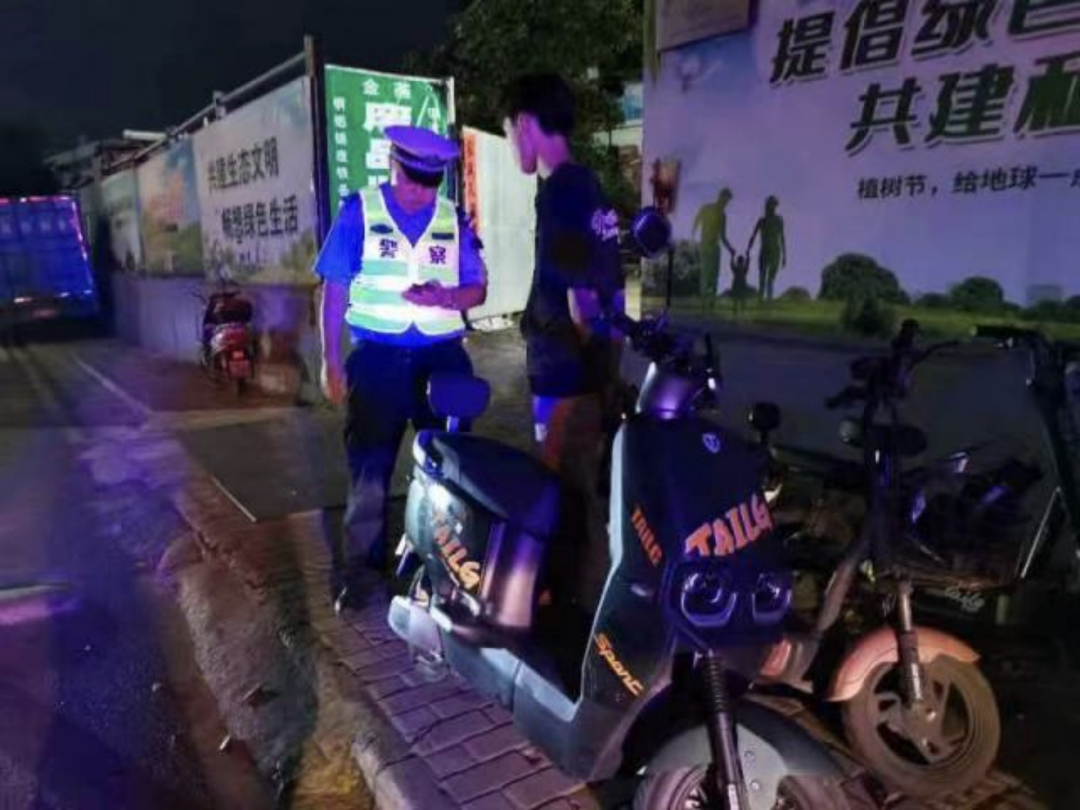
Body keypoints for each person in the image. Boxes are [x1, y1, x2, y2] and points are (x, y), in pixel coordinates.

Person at [314, 125, 487, 609]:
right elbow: (334, 289)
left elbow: (477, 288)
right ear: (392, 164)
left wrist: (446, 297)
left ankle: (443, 575)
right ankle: (360, 574)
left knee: (451, 470)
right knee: (369, 472)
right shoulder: (359, 212)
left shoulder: (454, 219)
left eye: (430, 184)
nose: (420, 193)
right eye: (412, 180)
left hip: (443, 360)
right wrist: (330, 359)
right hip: (377, 361)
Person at [502, 73, 624, 607]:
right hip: (589, 369)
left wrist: (586, 375)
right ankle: (584, 598)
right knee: (584, 489)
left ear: (524, 124)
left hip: (567, 375)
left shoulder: (561, 193)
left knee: (567, 493)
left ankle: (579, 612)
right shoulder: (589, 187)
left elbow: (581, 300)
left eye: (508, 133)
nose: (511, 145)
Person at [692, 188, 736, 311]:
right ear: (720, 197)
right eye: (725, 199)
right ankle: (703, 302)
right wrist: (693, 237)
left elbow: (723, 236)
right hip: (705, 247)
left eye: (727, 201)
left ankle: (711, 303)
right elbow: (696, 221)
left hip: (715, 248)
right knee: (705, 275)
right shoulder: (706, 208)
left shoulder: (723, 216)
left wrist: (730, 249)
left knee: (714, 276)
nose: (726, 203)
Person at [748, 195, 786, 302]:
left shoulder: (779, 220)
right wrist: (749, 248)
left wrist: (784, 255)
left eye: (773, 205)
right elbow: (753, 235)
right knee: (762, 277)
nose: (771, 207)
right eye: (770, 205)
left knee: (770, 278)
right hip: (764, 251)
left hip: (775, 251)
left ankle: (768, 299)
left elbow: (782, 237)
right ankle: (761, 299)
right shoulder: (762, 221)